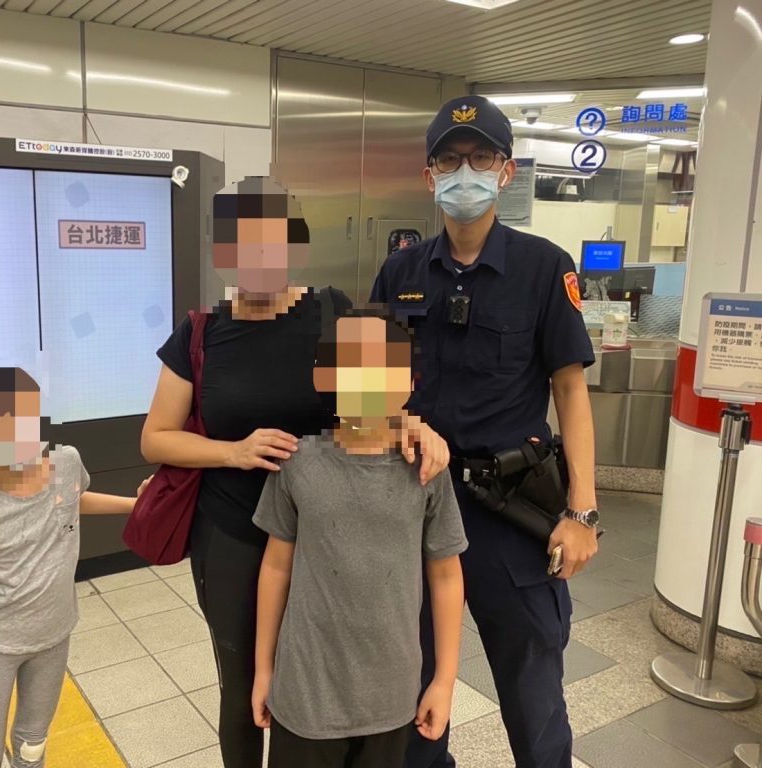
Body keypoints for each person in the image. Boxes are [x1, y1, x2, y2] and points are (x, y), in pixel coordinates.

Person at [141, 176, 450, 768]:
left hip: (330, 530)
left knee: (328, 674)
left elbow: (376, 387)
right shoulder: (201, 333)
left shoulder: (332, 310)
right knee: (243, 687)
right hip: (233, 532)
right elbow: (156, 437)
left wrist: (414, 424)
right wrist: (233, 452)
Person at [371, 95, 599, 768]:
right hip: (414, 503)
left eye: (480, 158)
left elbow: (570, 393)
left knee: (534, 697)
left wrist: (582, 512)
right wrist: (400, 421)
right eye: (448, 160)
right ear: (429, 175)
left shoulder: (544, 267)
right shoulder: (400, 271)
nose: (463, 172)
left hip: (510, 510)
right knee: (412, 690)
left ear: (506, 171)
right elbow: (366, 390)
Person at [251, 309, 468, 768]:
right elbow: (275, 566)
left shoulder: (427, 470)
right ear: (324, 376)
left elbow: (447, 576)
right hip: (305, 694)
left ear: (409, 381)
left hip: (391, 698)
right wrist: (263, 668)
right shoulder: (297, 463)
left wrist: (444, 681)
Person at [0, 366, 149, 768]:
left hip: (54, 636)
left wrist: (136, 507)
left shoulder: (66, 462)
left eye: (25, 415)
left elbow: (73, 500)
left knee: (32, 746)